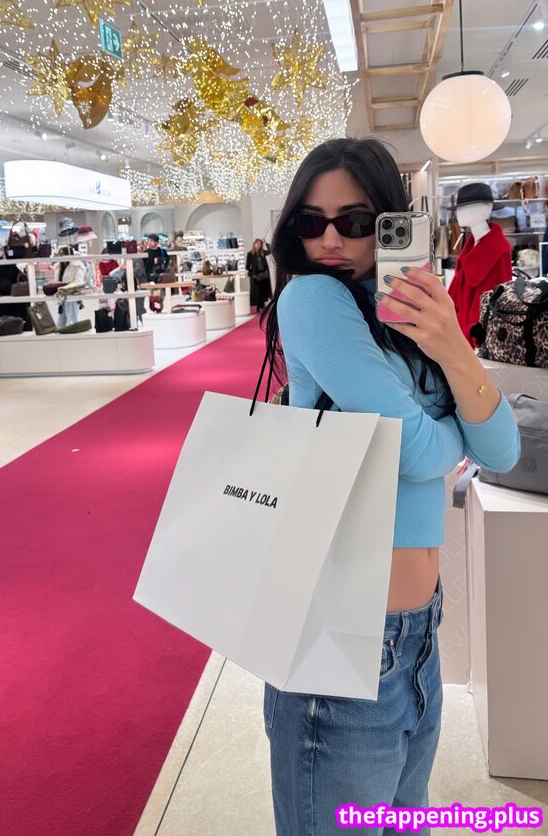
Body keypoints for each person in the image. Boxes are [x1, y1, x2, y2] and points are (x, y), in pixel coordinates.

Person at [260, 137, 521, 836]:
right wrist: (454, 428)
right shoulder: (313, 299)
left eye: (353, 221)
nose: (330, 241)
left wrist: (451, 345)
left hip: (417, 635)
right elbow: (421, 453)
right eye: (310, 222)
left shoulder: (406, 317)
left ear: (389, 222)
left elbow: (502, 450)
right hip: (341, 634)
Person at [54, 246, 87, 328]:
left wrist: (67, 288)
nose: (61, 256)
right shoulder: (59, 267)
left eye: (63, 254)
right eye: (60, 254)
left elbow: (79, 282)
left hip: (72, 298)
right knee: (60, 324)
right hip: (62, 298)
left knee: (71, 323)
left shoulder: (76, 266)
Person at [246, 238, 271, 312]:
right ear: (254, 244)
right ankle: (258, 306)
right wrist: (252, 272)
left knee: (264, 290)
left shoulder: (263, 252)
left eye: (260, 243)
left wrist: (266, 243)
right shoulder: (250, 254)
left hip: (264, 275)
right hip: (256, 276)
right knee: (257, 292)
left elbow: (270, 251)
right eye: (257, 243)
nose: (259, 245)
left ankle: (262, 305)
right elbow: (247, 266)